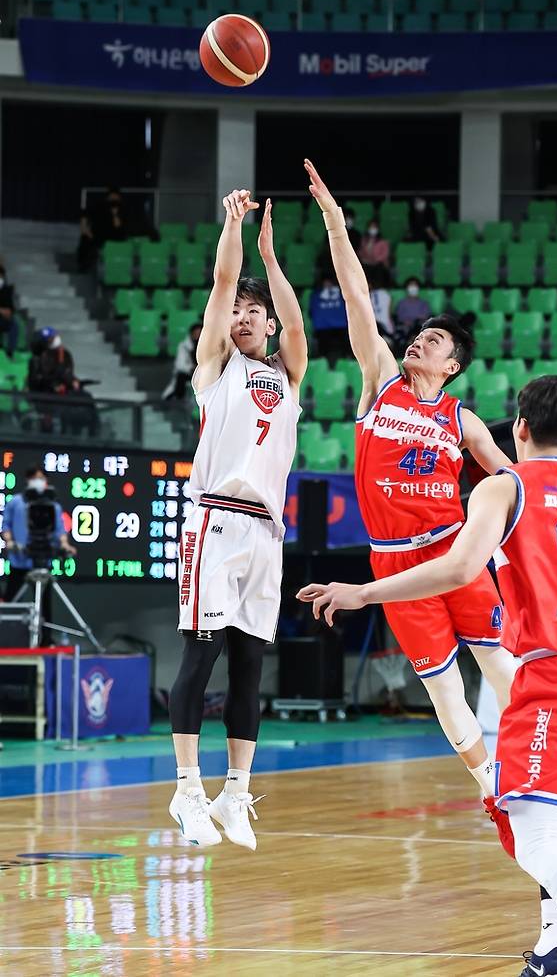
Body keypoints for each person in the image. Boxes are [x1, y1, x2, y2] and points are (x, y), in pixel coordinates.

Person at [299, 375, 557, 977]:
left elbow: (458, 567)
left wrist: (362, 591)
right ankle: (551, 952)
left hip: (556, 683)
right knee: (551, 819)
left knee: (532, 836)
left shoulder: (504, 487)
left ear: (518, 428)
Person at [303, 158, 517, 815]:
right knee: (444, 691)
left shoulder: (463, 417)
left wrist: (501, 535)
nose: (422, 339)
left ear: (453, 366)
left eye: (437, 340)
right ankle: (491, 788)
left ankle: (540, 769)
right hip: (395, 559)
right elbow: (359, 297)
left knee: (503, 670)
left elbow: (512, 477)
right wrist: (337, 226)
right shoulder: (381, 382)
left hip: (456, 551)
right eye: (422, 333)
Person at [167, 191, 307, 851]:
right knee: (202, 654)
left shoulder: (289, 373)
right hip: (215, 521)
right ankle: (188, 788)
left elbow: (299, 326)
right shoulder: (215, 366)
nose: (246, 316)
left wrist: (272, 258)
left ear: (272, 325)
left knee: (251, 664)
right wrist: (232, 225)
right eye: (240, 311)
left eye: (258, 311)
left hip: (266, 534)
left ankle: (234, 792)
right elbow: (224, 280)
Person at [1, 465, 76, 643]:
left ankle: (46, 640)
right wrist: (10, 542)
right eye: (35, 478)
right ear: (28, 480)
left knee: (45, 604)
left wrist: (65, 545)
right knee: (11, 600)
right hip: (20, 560)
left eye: (42, 478)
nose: (39, 482)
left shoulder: (53, 506)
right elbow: (6, 526)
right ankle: (5, 637)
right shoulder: (16, 502)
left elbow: (59, 531)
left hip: (42, 561)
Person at [309, 274, 349, 356]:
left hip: (341, 327)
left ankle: (347, 358)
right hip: (323, 329)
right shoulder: (316, 295)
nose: (328, 285)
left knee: (346, 344)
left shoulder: (342, 292)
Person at [162, 323, 203, 401]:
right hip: (189, 373)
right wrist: (192, 368)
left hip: (202, 373)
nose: (198, 336)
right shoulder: (184, 346)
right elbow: (180, 365)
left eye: (200, 333)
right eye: (196, 333)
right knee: (181, 377)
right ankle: (178, 398)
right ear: (191, 334)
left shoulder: (206, 346)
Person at [393, 277, 432, 348]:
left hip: (418, 327)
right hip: (405, 327)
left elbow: (425, 316)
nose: (413, 288)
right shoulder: (402, 303)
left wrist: (415, 321)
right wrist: (407, 322)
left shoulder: (423, 303)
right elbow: (400, 317)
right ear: (407, 288)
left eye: (415, 286)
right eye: (411, 286)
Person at [358, 218, 390, 283]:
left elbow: (384, 255)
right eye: (371, 227)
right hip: (366, 263)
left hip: (378, 264)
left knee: (378, 269)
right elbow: (360, 252)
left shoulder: (383, 241)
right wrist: (364, 259)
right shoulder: (364, 240)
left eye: (374, 227)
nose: (372, 229)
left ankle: (377, 285)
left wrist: (374, 260)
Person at [0, 265, 19, 358]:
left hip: (4, 319)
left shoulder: (7, 290)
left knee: (14, 326)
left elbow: (10, 308)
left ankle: (10, 352)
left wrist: (9, 312)